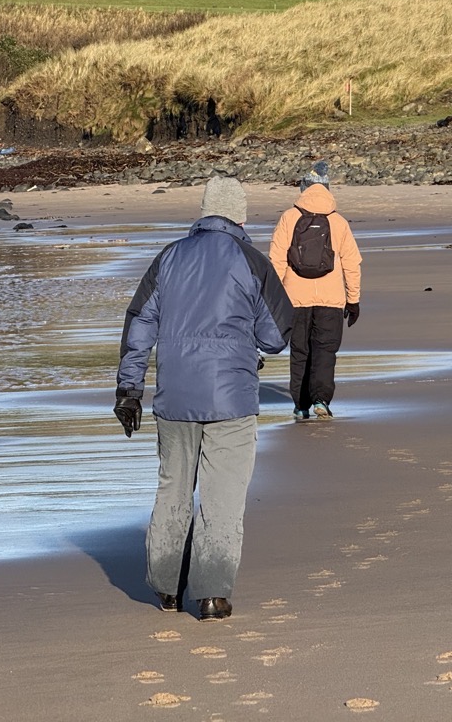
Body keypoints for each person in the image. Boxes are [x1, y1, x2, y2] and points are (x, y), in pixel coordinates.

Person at [114, 176, 294, 620]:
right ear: (241, 216)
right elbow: (275, 336)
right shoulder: (251, 261)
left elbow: (140, 324)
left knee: (172, 489)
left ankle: (168, 589)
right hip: (231, 397)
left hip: (174, 396)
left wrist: (128, 390)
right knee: (223, 495)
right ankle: (212, 594)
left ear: (203, 212)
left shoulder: (169, 257)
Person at [268, 161, 363, 421]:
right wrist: (353, 300)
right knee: (325, 351)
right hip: (331, 300)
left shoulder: (289, 217)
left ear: (303, 188)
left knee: (300, 352)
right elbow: (352, 262)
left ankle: (301, 406)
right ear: (328, 188)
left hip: (294, 298)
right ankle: (321, 399)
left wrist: (274, 298)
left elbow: (276, 259)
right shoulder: (338, 222)